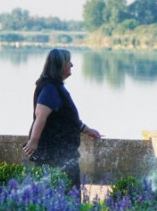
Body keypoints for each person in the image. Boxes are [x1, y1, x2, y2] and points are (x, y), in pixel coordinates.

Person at [22, 48, 100, 188]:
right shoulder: (50, 88)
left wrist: (87, 130)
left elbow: (65, 118)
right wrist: (34, 141)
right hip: (54, 154)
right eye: (68, 62)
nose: (71, 65)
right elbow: (41, 114)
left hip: (61, 153)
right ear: (59, 65)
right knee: (67, 194)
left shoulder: (54, 87)